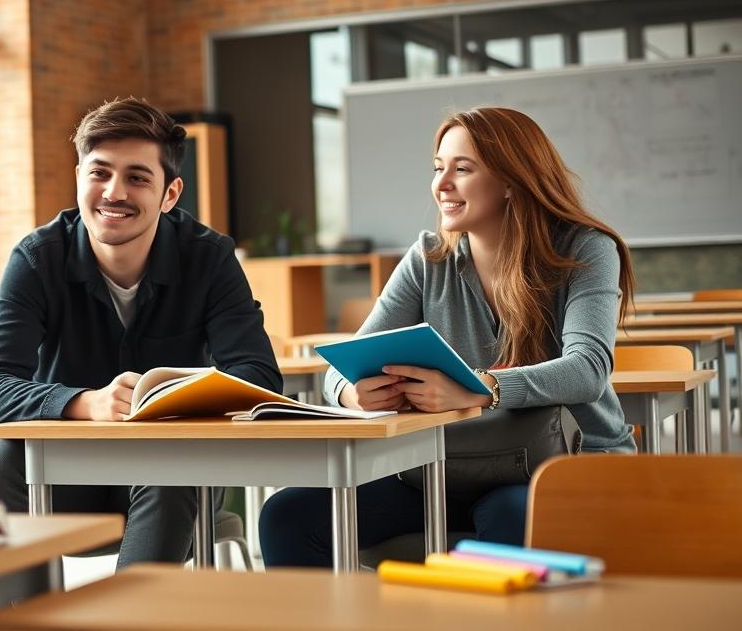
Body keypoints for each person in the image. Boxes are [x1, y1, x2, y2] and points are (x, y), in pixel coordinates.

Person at [259, 106, 636, 568]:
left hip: (562, 464)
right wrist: (353, 394)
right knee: (288, 515)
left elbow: (587, 370)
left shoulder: (585, 248)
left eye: (462, 169)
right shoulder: (428, 259)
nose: (442, 184)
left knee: (513, 514)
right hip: (451, 466)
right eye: (438, 168)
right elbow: (340, 369)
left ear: (511, 181)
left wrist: (480, 389)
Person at [0, 97, 281, 608]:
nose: (114, 192)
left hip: (172, 482)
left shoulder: (210, 258)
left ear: (169, 193)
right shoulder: (37, 258)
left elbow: (259, 376)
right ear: (79, 178)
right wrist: (83, 403)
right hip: (64, 480)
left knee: (172, 465)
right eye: (100, 173)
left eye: (137, 177)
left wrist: (173, 400)